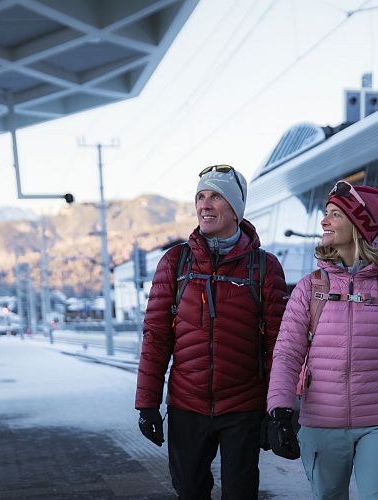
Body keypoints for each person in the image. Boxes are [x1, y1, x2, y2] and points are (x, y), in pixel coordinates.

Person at [266, 181, 378, 500]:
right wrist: (280, 412)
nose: (324, 221)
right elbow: (287, 355)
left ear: (359, 226)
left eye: (335, 214)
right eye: (325, 213)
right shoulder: (309, 288)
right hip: (321, 421)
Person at [135, 165, 288, 500]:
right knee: (189, 491)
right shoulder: (175, 263)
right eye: (200, 196)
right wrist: (147, 404)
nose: (205, 204)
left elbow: (278, 346)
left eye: (215, 196)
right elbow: (156, 337)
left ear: (235, 208)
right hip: (186, 405)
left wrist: (277, 407)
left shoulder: (264, 267)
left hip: (244, 407)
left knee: (240, 493)